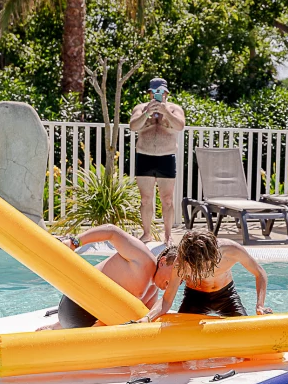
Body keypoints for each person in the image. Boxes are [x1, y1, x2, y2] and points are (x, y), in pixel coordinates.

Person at [41, 225, 176, 329]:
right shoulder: (143, 259)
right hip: (76, 303)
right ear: (163, 262)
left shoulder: (153, 291)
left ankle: (57, 327)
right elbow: (112, 232)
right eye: (176, 273)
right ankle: (58, 326)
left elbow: (139, 319)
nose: (177, 281)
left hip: (85, 323)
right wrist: (74, 242)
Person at [147, 229, 272, 320]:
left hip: (226, 297)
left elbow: (259, 273)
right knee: (182, 339)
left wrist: (260, 305)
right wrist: (147, 318)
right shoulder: (181, 262)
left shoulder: (232, 250)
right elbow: (167, 300)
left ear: (213, 256)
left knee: (244, 334)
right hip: (195, 298)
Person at [129, 78, 186, 246]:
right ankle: (147, 234)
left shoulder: (175, 109)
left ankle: (167, 236)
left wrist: (166, 112)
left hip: (166, 157)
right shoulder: (140, 108)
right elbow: (133, 126)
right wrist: (147, 112)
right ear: (149, 93)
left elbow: (180, 126)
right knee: (145, 199)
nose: (156, 95)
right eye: (153, 92)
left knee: (167, 199)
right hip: (145, 156)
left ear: (166, 93)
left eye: (160, 92)